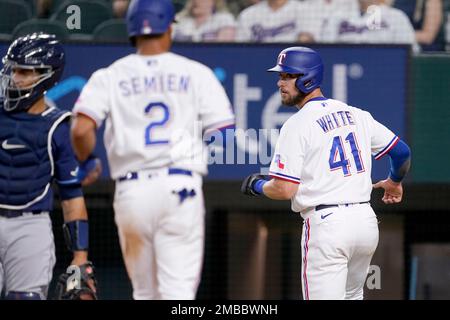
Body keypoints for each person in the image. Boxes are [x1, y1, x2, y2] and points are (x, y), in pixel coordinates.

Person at [70, 0, 235, 300]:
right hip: (179, 186)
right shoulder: (196, 72)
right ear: (169, 26)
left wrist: (87, 160)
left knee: (145, 293)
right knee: (179, 293)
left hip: (132, 191)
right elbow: (223, 133)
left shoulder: (110, 74)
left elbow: (81, 129)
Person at [241, 47, 411, 300]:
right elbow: (402, 152)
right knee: (352, 297)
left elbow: (284, 189)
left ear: (308, 78)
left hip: (328, 226)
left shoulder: (297, 124)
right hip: (365, 222)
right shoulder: (356, 114)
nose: (280, 82)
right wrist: (394, 181)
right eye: (281, 76)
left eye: (288, 76)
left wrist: (257, 186)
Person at [0, 33, 98, 300]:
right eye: (12, 69)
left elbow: (71, 195)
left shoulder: (59, 127)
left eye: (24, 71)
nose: (15, 78)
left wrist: (80, 257)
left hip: (30, 225)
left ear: (47, 75)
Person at [321, 0, 420, 52]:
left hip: (384, 72)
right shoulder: (337, 16)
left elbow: (412, 53)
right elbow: (325, 51)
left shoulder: (396, 17)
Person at [235, 0, 308, 42]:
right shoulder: (247, 14)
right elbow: (241, 47)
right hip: (259, 59)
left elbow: (306, 41)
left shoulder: (304, 10)